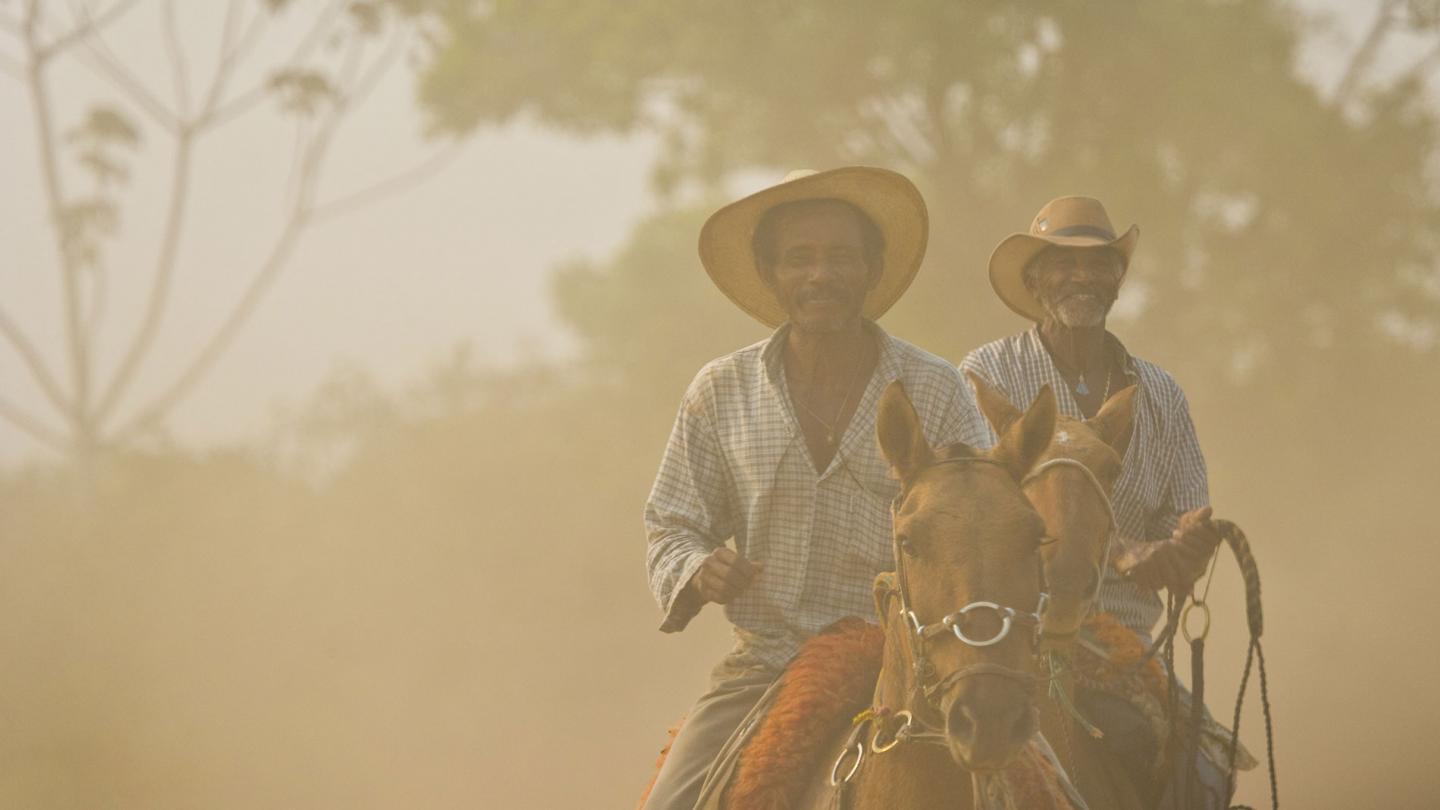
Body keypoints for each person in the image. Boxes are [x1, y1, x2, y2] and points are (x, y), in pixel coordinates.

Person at [641, 167, 987, 810]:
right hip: (766, 664)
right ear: (772, 275)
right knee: (669, 804)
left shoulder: (937, 388)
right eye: (799, 258)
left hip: (914, 668)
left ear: (871, 271)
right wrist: (697, 570)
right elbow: (672, 521)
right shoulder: (721, 390)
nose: (820, 275)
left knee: (1050, 786)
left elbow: (979, 526)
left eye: (840, 258)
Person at [961, 196, 1242, 808]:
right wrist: (1121, 551)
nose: (1082, 277)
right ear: (1033, 281)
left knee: (1208, 762)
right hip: (1013, 628)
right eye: (1063, 264)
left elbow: (1183, 509)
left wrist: (1185, 544)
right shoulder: (989, 374)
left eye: (1099, 265)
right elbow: (984, 511)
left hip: (1123, 637)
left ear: (1119, 280)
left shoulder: (1161, 392)